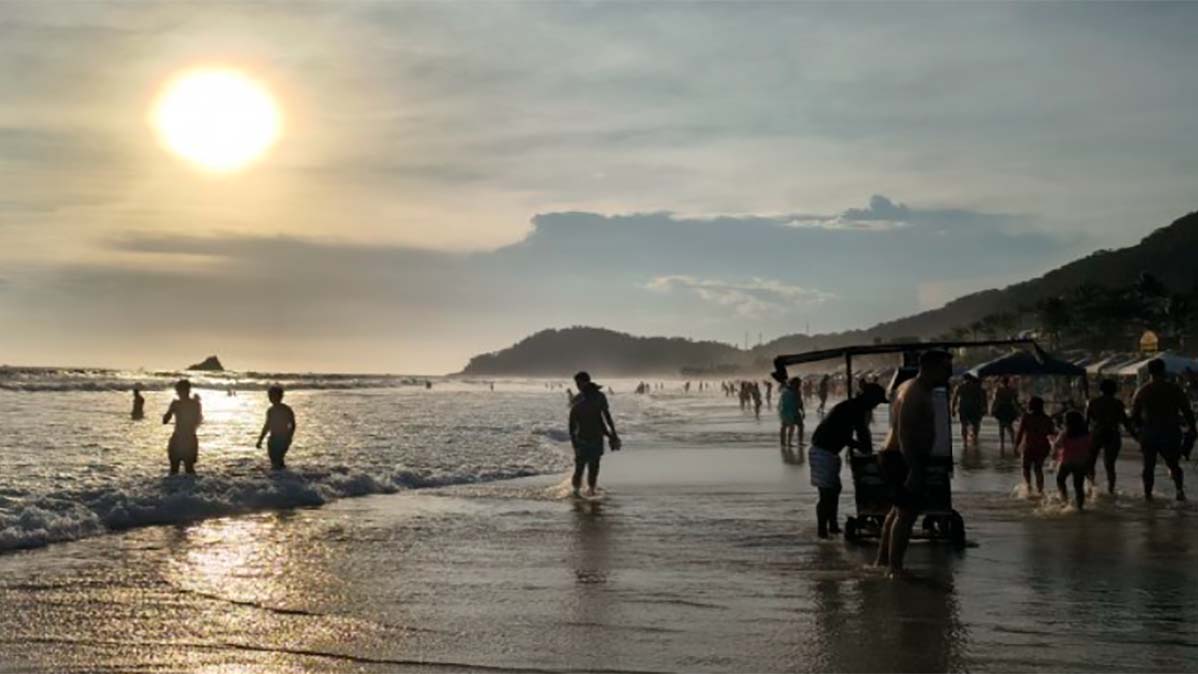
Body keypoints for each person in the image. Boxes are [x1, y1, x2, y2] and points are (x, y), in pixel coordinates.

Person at [876, 350, 953, 578]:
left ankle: (883, 562)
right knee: (906, 513)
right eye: (946, 368)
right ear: (931, 368)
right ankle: (895, 569)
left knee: (897, 511)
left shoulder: (909, 386)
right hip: (902, 457)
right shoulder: (915, 392)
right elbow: (905, 433)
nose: (949, 373)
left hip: (897, 455)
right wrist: (915, 469)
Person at [809, 382, 888, 538]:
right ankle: (822, 531)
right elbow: (855, 433)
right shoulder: (854, 409)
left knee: (834, 490)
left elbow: (860, 433)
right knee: (827, 493)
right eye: (876, 402)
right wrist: (863, 448)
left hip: (830, 452)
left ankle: (832, 526)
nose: (876, 406)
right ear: (869, 398)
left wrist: (864, 447)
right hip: (823, 451)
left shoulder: (853, 406)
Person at [1131, 358, 1195, 501]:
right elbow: (1187, 411)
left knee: (1149, 466)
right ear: (1164, 370)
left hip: (1149, 432)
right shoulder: (1174, 389)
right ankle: (1179, 491)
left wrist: (1139, 432)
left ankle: (1148, 495)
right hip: (1170, 432)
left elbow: (1134, 416)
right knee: (1174, 465)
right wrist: (1193, 429)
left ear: (1149, 372)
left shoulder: (1142, 391)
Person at [568, 371, 620, 497]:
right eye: (576, 383)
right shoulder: (580, 399)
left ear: (585, 382)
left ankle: (588, 491)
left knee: (591, 467)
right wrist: (574, 441)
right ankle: (579, 492)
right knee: (583, 467)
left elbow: (606, 416)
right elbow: (572, 424)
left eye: (579, 383)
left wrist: (613, 434)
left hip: (593, 436)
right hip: (584, 437)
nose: (577, 386)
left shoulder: (596, 397)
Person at [1085, 378, 1133, 494]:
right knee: (1110, 465)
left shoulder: (1094, 402)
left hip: (1097, 433)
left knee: (1090, 463)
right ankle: (1111, 490)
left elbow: (1086, 422)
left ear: (1101, 389)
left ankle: (1090, 488)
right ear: (1114, 390)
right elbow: (1125, 422)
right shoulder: (1118, 403)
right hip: (1113, 433)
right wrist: (1135, 435)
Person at [1015, 396, 1055, 495]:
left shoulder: (1026, 417)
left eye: (1029, 403)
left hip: (1029, 446)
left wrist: (1016, 445)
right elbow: (1052, 434)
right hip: (1042, 447)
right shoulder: (1047, 419)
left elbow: (1020, 432)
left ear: (1031, 406)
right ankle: (1040, 490)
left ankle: (1028, 487)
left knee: (1026, 467)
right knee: (1038, 468)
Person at [162, 379, 202, 475]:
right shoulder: (195, 404)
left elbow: (165, 421)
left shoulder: (176, 404)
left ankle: (176, 485)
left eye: (178, 391)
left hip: (178, 438)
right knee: (189, 470)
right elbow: (197, 420)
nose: (177, 393)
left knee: (174, 470)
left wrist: (171, 409)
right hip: (190, 438)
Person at [1054, 410, 1091, 510]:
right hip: (1081, 463)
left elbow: (1057, 445)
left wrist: (1052, 441)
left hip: (1067, 462)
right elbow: (1090, 448)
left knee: (1060, 480)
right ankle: (1080, 507)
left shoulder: (1065, 434)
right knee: (1078, 486)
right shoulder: (1086, 434)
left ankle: (1064, 500)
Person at [256, 384, 297, 470]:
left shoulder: (286, 409)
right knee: (274, 459)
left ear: (280, 397)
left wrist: (289, 436)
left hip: (284, 438)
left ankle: (281, 475)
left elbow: (293, 424)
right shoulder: (271, 410)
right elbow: (267, 425)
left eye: (273, 396)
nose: (271, 398)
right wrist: (260, 439)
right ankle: (281, 474)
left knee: (277, 458)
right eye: (270, 396)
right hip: (273, 438)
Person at [951, 374, 985, 448]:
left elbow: (954, 399)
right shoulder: (977, 387)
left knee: (964, 425)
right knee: (975, 424)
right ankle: (975, 439)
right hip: (974, 407)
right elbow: (982, 398)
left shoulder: (960, 387)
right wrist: (983, 408)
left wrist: (952, 409)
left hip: (963, 407)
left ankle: (965, 441)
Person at [991, 376, 1021, 454]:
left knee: (1001, 426)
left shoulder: (998, 390)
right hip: (1009, 408)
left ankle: (1002, 445)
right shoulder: (1012, 390)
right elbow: (1015, 402)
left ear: (1002, 382)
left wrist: (993, 409)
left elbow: (996, 401)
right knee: (1009, 426)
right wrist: (1018, 411)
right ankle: (1013, 443)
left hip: (1001, 409)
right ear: (1008, 382)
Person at [778, 377, 804, 450]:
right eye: (798, 383)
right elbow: (783, 402)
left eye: (799, 383)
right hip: (787, 411)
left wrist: (802, 410)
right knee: (787, 426)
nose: (799, 384)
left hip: (794, 410)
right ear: (794, 383)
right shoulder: (787, 391)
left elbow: (800, 401)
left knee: (800, 425)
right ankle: (786, 443)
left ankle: (799, 441)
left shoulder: (797, 391)